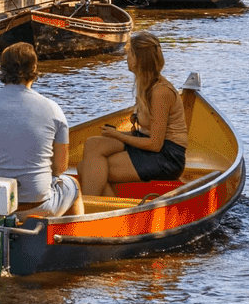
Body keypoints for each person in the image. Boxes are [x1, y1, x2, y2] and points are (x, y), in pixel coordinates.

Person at [0, 43, 84, 217]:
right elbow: (59, 168)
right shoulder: (53, 110)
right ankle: (70, 239)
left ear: (2, 69)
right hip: (38, 206)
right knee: (73, 187)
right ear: (34, 69)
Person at [78, 32, 189, 196]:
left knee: (89, 168)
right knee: (93, 145)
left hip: (167, 156)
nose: (126, 58)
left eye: (129, 54)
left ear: (139, 59)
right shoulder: (145, 84)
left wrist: (118, 135)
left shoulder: (160, 92)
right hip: (150, 144)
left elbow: (155, 144)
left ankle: (89, 211)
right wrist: (116, 135)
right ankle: (112, 210)